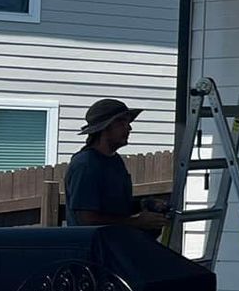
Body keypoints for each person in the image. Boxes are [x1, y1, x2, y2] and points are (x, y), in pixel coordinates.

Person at [65, 97, 169, 232]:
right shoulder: (86, 165)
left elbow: (115, 208)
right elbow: (88, 220)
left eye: (128, 122)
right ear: (104, 128)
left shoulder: (115, 161)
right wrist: (137, 222)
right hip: (93, 250)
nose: (129, 128)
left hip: (114, 246)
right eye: (121, 122)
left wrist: (144, 204)